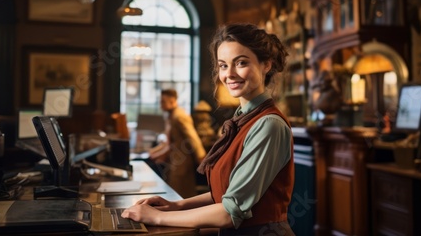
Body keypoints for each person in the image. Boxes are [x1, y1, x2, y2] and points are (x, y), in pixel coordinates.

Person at [122, 23, 295, 235]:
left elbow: (230, 211)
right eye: (223, 65)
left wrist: (157, 216)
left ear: (266, 64)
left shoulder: (269, 125)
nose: (229, 74)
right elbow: (225, 194)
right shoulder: (243, 119)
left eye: (241, 62)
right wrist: (176, 205)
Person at [148, 88, 206, 198]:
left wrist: (201, 158)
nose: (161, 105)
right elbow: (168, 141)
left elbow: (193, 137)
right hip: (174, 161)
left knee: (180, 194)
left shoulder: (179, 116)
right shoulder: (171, 116)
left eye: (163, 102)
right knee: (173, 193)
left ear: (172, 100)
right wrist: (152, 152)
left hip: (181, 162)